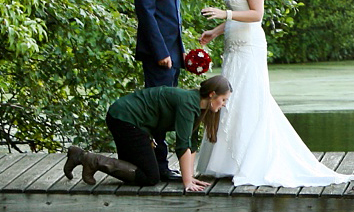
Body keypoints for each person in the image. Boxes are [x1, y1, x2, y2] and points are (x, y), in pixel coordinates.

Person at [195, 0, 354, 187]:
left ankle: (248, 161)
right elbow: (237, 18)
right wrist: (215, 32)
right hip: (233, 47)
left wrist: (225, 13)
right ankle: (225, 162)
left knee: (247, 98)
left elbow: (256, 15)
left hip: (249, 48)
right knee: (229, 99)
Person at [63, 75, 232, 192]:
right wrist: (187, 182)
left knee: (142, 171)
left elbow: (191, 143)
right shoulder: (188, 103)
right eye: (223, 99)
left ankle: (86, 158)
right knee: (150, 177)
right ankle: (89, 159)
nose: (224, 104)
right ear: (212, 95)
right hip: (125, 118)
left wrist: (190, 177)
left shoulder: (198, 107)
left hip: (137, 124)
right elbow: (182, 145)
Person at [134, 0, 192, 182]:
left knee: (168, 109)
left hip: (173, 53)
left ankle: (162, 163)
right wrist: (161, 53)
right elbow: (146, 15)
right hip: (158, 55)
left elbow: (173, 16)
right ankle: (157, 164)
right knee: (157, 108)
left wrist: (180, 50)